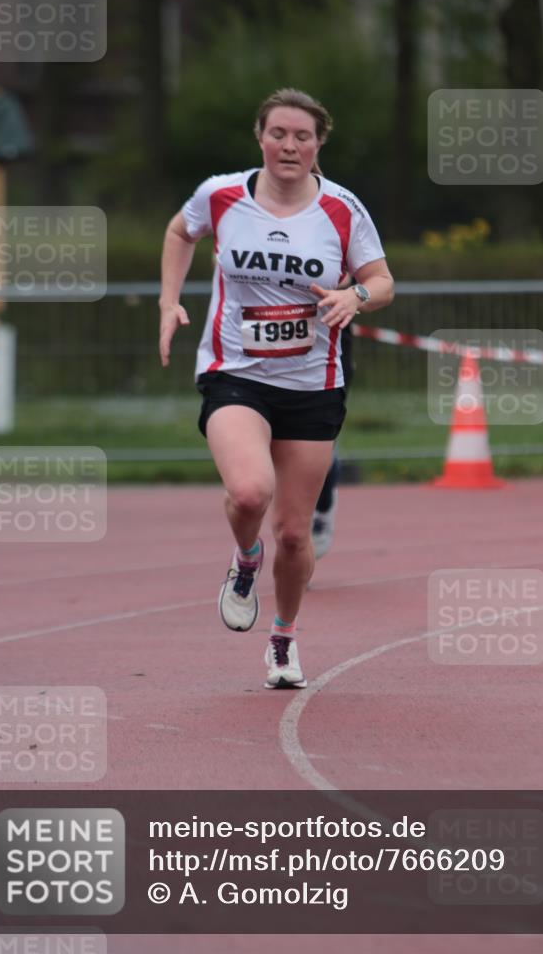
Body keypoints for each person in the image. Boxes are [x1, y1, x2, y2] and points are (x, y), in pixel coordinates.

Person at [159, 87, 393, 689]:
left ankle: (284, 641)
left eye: (303, 137)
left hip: (313, 385)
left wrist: (354, 296)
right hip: (235, 373)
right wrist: (168, 302)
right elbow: (180, 232)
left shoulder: (343, 209)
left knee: (294, 532)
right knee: (247, 492)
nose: (290, 146)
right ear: (260, 137)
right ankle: (244, 561)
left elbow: (381, 280)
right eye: (279, 134)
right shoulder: (223, 195)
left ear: (319, 145)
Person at [311, 274, 356, 559]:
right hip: (263, 355)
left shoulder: (344, 229)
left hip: (327, 353)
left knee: (320, 447)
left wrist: (354, 292)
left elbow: (377, 282)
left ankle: (322, 505)